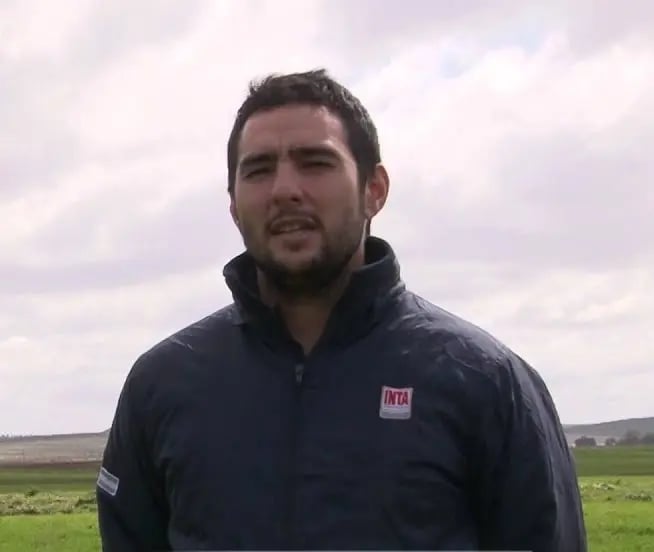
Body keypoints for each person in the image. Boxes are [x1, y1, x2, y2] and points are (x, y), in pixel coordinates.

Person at [96, 68, 587, 551]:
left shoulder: (485, 381)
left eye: (315, 163)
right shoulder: (162, 384)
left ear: (374, 190)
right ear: (233, 205)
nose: (284, 189)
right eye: (259, 169)